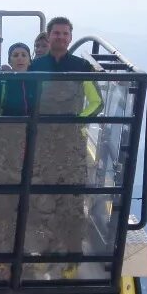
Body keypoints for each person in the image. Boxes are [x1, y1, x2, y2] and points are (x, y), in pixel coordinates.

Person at [29, 17, 101, 276]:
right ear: (48, 37)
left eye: (65, 34)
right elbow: (28, 100)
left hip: (70, 144)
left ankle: (71, 256)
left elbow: (96, 102)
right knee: (41, 199)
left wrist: (77, 123)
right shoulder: (36, 66)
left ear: (70, 38)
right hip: (42, 142)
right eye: (56, 33)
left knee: (71, 199)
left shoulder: (81, 67)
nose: (60, 37)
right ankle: (45, 253)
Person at [0, 41, 34, 274]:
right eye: (16, 55)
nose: (20, 58)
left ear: (29, 60)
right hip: (2, 150)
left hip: (29, 149)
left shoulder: (36, 85)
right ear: (10, 61)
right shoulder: (0, 85)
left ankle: (22, 251)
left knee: (25, 203)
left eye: (24, 55)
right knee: (1, 202)